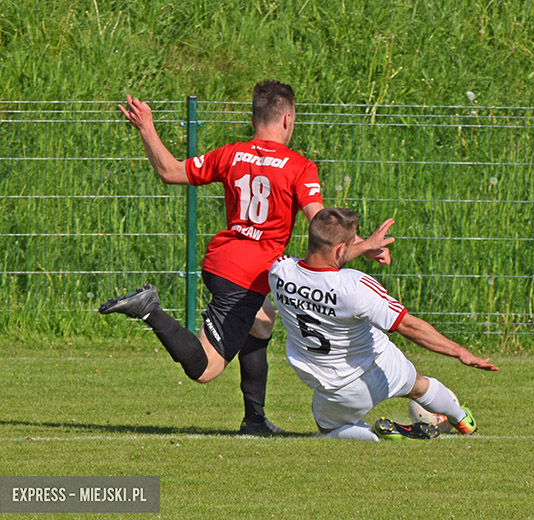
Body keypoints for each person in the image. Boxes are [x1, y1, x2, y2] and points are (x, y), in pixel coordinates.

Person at [99, 81, 393, 435]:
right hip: (245, 276)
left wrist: (147, 127)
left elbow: (170, 171)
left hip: (227, 262)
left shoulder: (231, 154)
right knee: (205, 368)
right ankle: (149, 309)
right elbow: (321, 224)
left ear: (254, 118)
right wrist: (362, 244)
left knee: (262, 322)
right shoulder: (299, 167)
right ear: (287, 119)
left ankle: (254, 420)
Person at [269, 207, 499, 441]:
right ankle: (462, 419)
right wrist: (459, 351)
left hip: (338, 389)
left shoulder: (280, 272)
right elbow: (408, 326)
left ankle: (376, 434)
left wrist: (364, 246)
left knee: (328, 430)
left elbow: (321, 263)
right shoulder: (355, 286)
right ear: (340, 249)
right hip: (382, 364)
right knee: (419, 386)